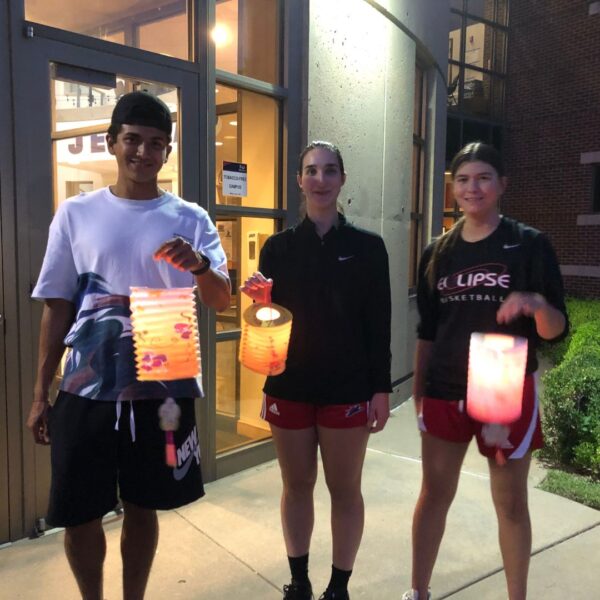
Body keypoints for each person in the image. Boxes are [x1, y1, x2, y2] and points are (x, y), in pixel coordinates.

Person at [26, 91, 231, 600]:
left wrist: (200, 267)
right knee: (77, 511)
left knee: (145, 504)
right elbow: (57, 304)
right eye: (133, 140)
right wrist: (38, 395)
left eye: (156, 144)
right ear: (113, 142)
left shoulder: (191, 218)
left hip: (163, 381)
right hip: (86, 381)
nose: (144, 152)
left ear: (167, 151)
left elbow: (221, 300)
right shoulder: (76, 213)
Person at [402, 142, 568, 600]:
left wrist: (535, 304)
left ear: (501, 185)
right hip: (445, 389)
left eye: (483, 178)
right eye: (463, 179)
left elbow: (556, 330)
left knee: (510, 503)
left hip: (505, 391)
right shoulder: (439, 251)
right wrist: (418, 391)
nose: (472, 188)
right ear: (453, 188)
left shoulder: (529, 244)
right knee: (434, 494)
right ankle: (417, 590)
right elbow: (428, 331)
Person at [241, 141, 392, 600]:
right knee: (296, 485)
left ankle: (339, 586)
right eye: (311, 171)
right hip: (290, 385)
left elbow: (379, 324)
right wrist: (259, 304)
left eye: (330, 171)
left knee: (345, 489)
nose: (320, 180)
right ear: (299, 181)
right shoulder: (279, 248)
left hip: (348, 389)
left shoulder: (368, 248)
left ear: (342, 179)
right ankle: (300, 580)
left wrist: (380, 390)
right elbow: (269, 321)